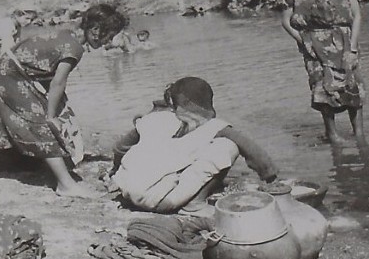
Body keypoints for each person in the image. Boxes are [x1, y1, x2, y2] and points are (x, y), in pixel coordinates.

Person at [0, 3, 128, 198]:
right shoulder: (75, 48)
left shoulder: (68, 35)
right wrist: (50, 115)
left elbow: (47, 71)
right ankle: (65, 185)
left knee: (44, 113)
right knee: (42, 123)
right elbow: (58, 82)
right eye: (108, 36)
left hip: (8, 72)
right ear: (95, 31)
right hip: (10, 76)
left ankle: (29, 162)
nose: (107, 42)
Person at [110, 76, 278, 214]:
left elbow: (120, 148)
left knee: (168, 155)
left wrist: (115, 171)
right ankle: (195, 204)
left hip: (126, 190)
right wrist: (270, 176)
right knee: (228, 146)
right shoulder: (214, 126)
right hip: (157, 202)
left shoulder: (153, 118)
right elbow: (254, 152)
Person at [279, 0, 364, 143]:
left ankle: (359, 134)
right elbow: (285, 21)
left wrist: (352, 47)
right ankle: (332, 134)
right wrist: (304, 42)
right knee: (321, 86)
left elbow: (357, 16)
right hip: (313, 43)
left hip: (344, 40)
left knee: (353, 85)